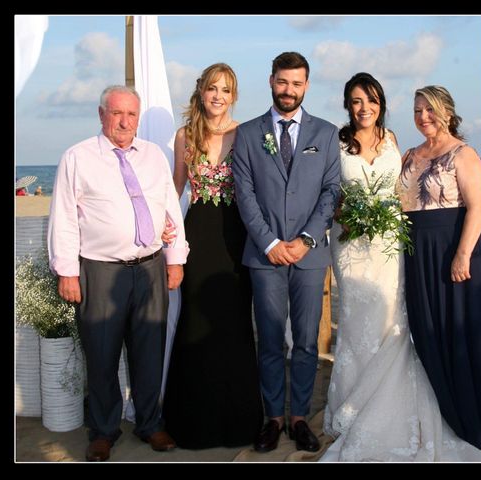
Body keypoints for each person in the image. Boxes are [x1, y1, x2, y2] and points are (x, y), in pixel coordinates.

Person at [321, 73, 481, 462]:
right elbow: (329, 191)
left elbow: (403, 193)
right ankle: (352, 404)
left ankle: (391, 404)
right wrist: (342, 212)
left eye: (371, 101)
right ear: (347, 105)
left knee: (392, 323)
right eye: (356, 101)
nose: (364, 108)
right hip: (351, 248)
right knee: (355, 327)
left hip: (389, 245)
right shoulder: (337, 142)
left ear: (381, 104)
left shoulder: (394, 142)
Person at [47, 85, 188, 462]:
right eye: (117, 113)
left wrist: (175, 259)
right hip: (100, 271)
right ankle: (104, 431)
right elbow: (63, 219)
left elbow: (169, 209)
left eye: (131, 115)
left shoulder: (154, 155)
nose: (125, 122)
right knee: (102, 355)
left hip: (150, 269)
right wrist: (67, 272)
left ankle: (149, 424)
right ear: (101, 114)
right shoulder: (77, 157)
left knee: (149, 353)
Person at [232, 51, 341, 453]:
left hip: (310, 256)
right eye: (282, 81)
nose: (288, 90)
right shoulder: (247, 134)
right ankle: (273, 417)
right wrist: (271, 243)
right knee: (272, 339)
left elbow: (331, 191)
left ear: (306, 86)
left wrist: (307, 239)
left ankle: (300, 418)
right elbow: (244, 196)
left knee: (309, 342)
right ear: (271, 81)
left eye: (296, 83)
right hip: (265, 257)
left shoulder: (326, 133)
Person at [398, 85, 481, 451]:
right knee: (429, 331)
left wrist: (463, 254)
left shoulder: (463, 154)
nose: (423, 117)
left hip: (455, 249)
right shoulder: (408, 155)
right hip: (417, 253)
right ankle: (446, 414)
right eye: (418, 110)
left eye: (430, 110)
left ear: (447, 112)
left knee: (466, 335)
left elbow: (478, 208)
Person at [161, 63, 264, 449]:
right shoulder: (184, 136)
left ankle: (237, 423)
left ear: (233, 95)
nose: (218, 96)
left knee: (235, 323)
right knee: (195, 321)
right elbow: (175, 188)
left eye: (225, 90)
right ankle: (192, 423)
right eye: (212, 89)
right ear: (201, 92)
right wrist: (163, 230)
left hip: (238, 235)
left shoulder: (248, 134)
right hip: (199, 235)